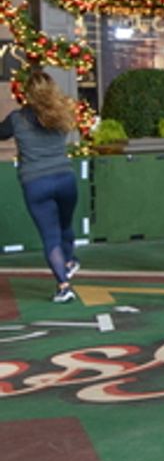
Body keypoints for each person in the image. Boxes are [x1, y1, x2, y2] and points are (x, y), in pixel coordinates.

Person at [0, 71, 81, 303]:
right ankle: (69, 261)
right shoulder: (62, 114)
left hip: (35, 182)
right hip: (65, 177)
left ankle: (64, 285)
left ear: (28, 93)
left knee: (50, 236)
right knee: (66, 225)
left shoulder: (17, 118)